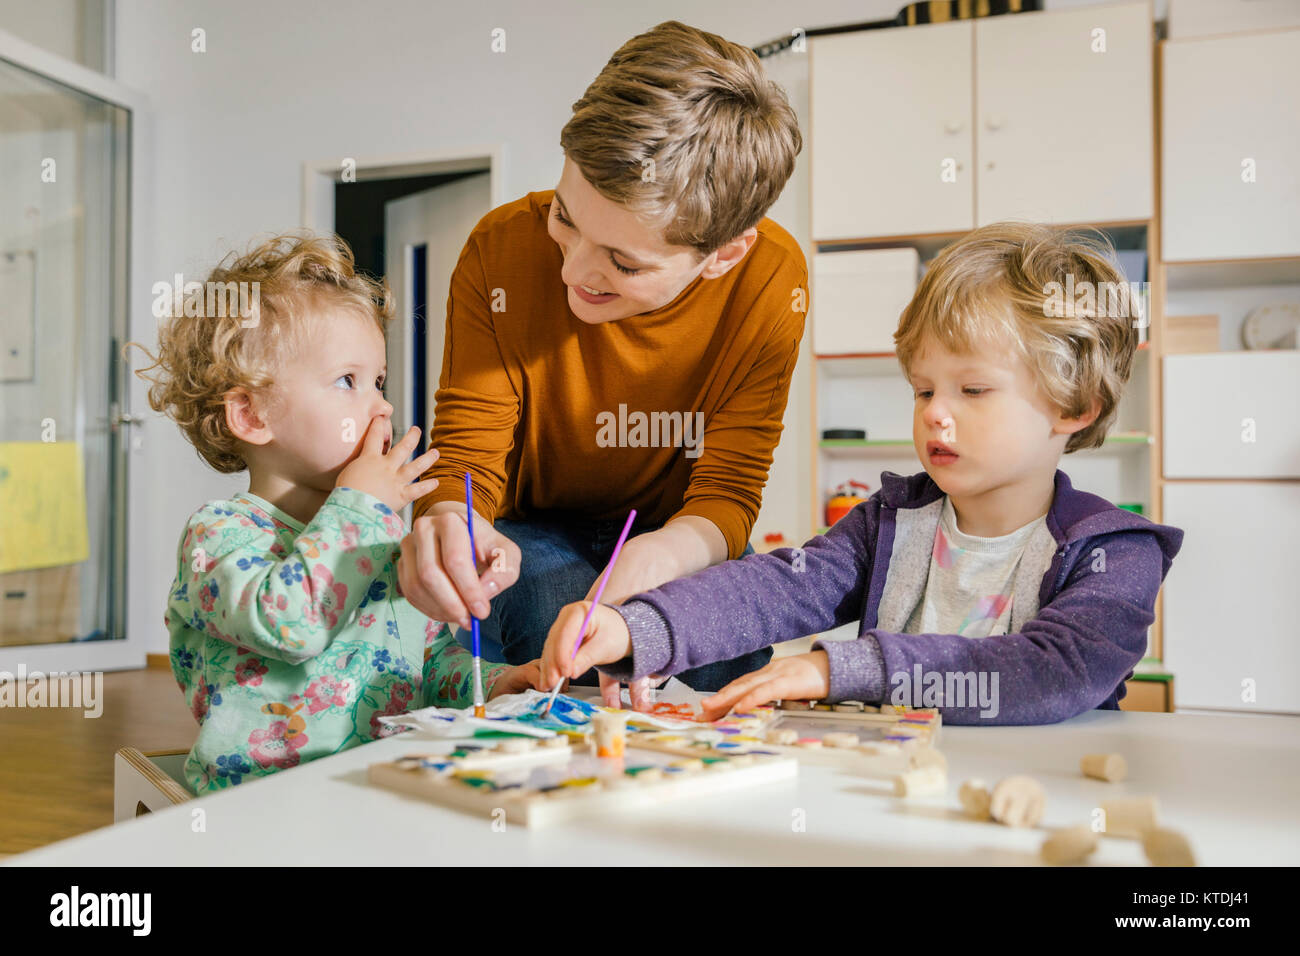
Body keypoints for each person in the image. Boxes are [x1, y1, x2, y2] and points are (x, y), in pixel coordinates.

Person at [538, 222, 1185, 725]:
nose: (936, 415)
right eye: (923, 390)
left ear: (1073, 407)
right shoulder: (890, 521)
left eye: (974, 391)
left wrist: (844, 669)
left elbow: (1051, 673)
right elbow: (774, 589)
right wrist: (636, 627)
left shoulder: (1116, 552)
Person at [396, 21, 807, 707]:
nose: (574, 271)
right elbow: (468, 458)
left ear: (724, 255)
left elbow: (728, 491)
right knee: (565, 630)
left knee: (714, 662)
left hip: (678, 531)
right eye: (565, 217)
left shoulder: (771, 278)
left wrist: (660, 557)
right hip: (533, 526)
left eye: (624, 260)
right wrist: (448, 520)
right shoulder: (498, 251)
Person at [130, 234, 542, 792]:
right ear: (251, 414)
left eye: (379, 381)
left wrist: (496, 683)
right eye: (347, 381)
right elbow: (289, 623)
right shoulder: (218, 536)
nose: (383, 405)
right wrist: (362, 505)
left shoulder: (381, 536)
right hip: (256, 810)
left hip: (382, 789)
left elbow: (423, 669)